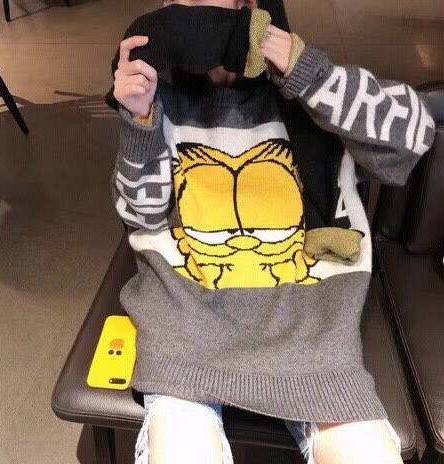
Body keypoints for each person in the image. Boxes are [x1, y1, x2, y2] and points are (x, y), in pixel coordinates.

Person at [110, 0, 436, 463]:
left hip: (309, 332)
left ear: (249, 6)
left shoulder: (305, 92)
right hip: (187, 326)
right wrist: (140, 121)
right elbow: (140, 216)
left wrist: (308, 73)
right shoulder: (163, 95)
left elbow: (414, 133)